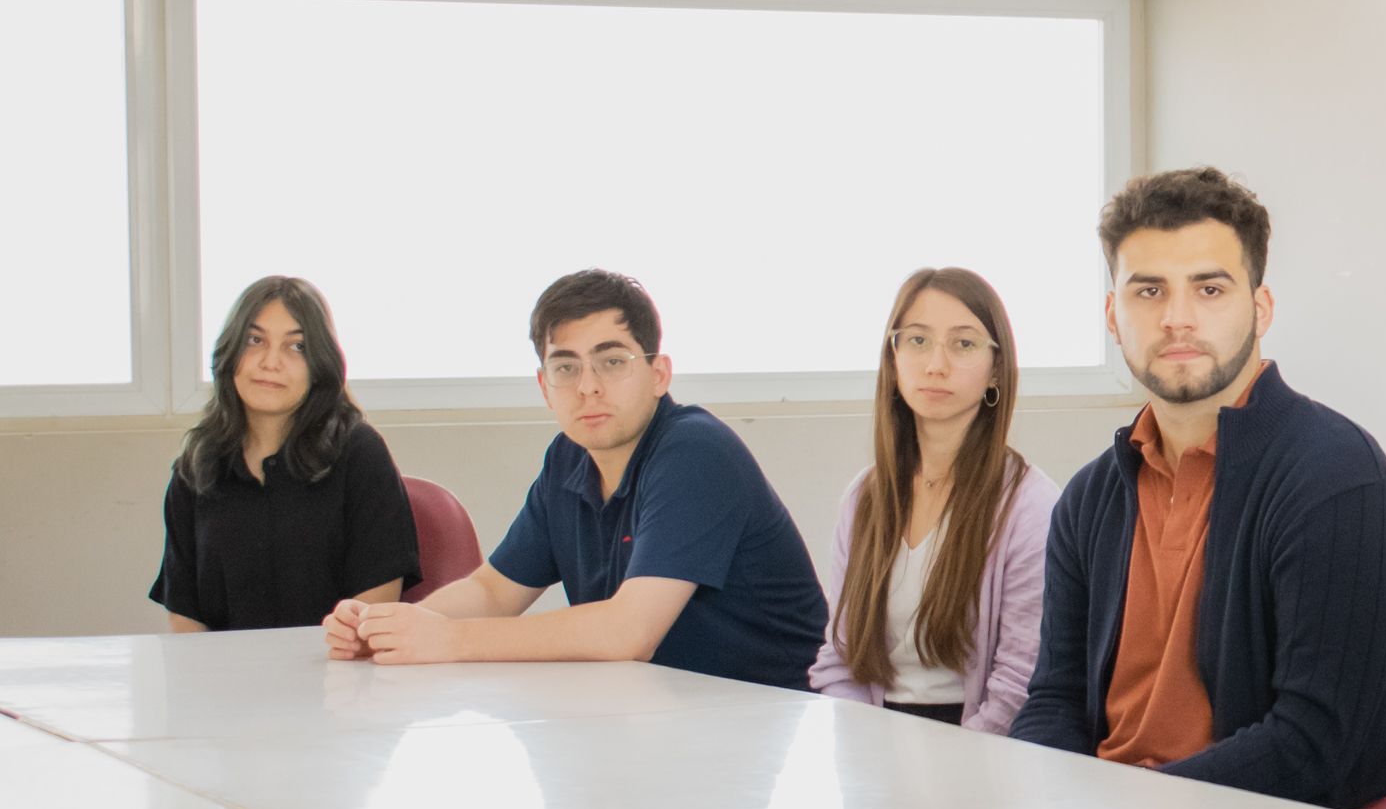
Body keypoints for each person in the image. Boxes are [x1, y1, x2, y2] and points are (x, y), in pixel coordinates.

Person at [1011, 167, 1386, 809]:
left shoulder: (1340, 483)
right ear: (1113, 317)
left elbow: (1316, 748)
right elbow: (1055, 700)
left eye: (1209, 288)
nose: (1177, 319)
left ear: (1260, 309)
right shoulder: (1090, 498)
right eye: (1148, 291)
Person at [325, 270, 827, 688]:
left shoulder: (697, 452)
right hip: (650, 716)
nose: (588, 387)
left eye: (612, 362)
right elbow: (494, 592)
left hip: (765, 722)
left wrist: (448, 641)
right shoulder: (568, 458)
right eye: (566, 367)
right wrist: (395, 628)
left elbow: (628, 631)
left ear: (659, 374)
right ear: (545, 386)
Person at [809, 268, 1061, 730]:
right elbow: (840, 660)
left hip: (981, 750)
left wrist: (955, 769)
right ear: (893, 357)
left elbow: (1018, 684)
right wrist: (866, 750)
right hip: (874, 742)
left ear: (996, 368)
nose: (935, 364)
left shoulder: (1032, 505)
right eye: (918, 341)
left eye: (963, 344)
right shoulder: (864, 497)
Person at [155, 275, 420, 634]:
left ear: (318, 366)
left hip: (337, 677)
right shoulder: (197, 465)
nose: (271, 362)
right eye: (255, 340)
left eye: (296, 347)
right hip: (223, 682)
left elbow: (373, 612)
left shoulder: (360, 453)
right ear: (231, 352)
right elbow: (186, 617)